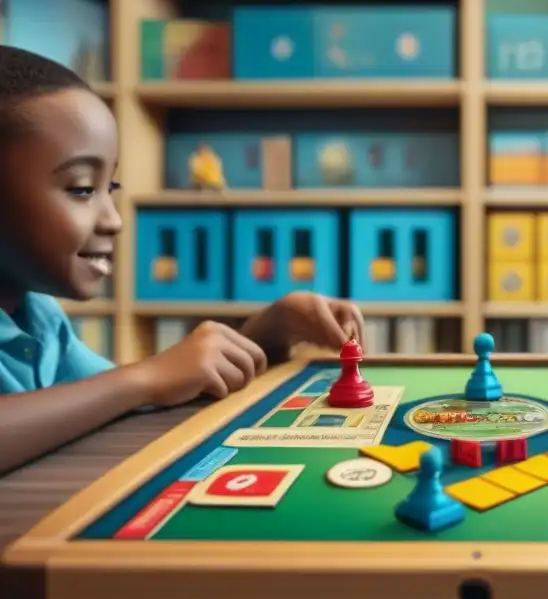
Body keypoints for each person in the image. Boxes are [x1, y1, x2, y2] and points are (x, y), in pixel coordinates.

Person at [0, 45, 364, 475]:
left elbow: (122, 402)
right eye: (81, 188)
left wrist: (263, 337)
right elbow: (137, 388)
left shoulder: (37, 318)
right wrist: (144, 378)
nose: (114, 220)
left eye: (109, 188)